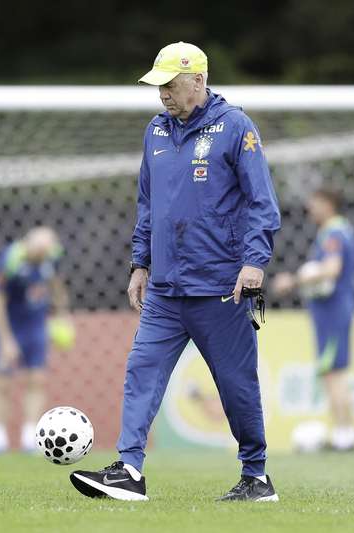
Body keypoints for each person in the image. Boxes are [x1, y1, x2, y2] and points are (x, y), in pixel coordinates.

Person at [69, 41, 281, 502]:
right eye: (158, 85)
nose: (162, 93)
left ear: (198, 81)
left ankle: (256, 476)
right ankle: (129, 469)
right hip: (166, 289)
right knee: (141, 371)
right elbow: (148, 204)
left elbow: (261, 201)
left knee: (236, 386)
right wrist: (140, 263)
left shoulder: (235, 127)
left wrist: (254, 261)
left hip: (221, 288)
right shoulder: (156, 131)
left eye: (170, 84)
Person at [271, 188, 354, 452]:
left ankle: (344, 437)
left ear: (329, 203)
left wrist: (294, 280)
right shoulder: (337, 231)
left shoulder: (334, 233)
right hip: (332, 311)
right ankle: (346, 434)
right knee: (333, 371)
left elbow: (331, 270)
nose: (310, 209)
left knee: (333, 373)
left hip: (333, 311)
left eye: (315, 203)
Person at [0, 227, 71, 453]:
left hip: (36, 327)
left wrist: (62, 315)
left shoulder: (50, 260)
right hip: (11, 325)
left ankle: (30, 436)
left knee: (36, 380)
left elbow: (57, 286)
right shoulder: (11, 259)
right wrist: (5, 339)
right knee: (2, 382)